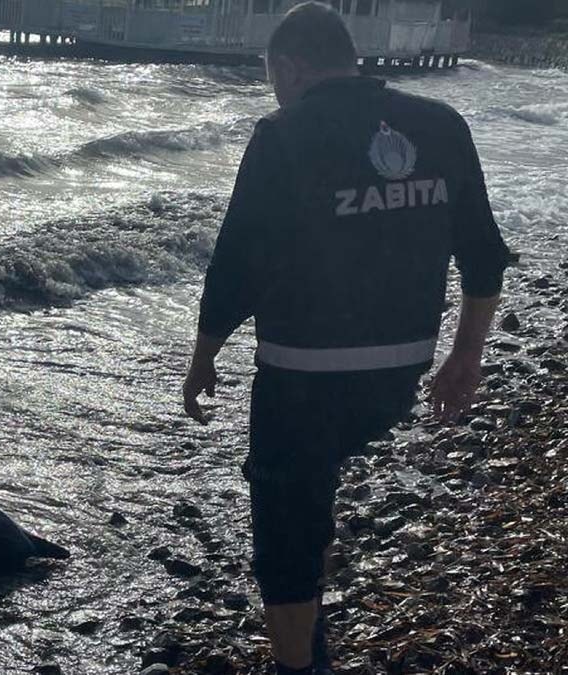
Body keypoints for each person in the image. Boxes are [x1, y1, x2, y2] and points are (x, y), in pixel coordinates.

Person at [180, 3, 509, 674]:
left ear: (291, 68)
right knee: (320, 484)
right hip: (397, 373)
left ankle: (297, 664)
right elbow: (484, 256)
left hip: (302, 375)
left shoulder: (282, 136)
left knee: (286, 523)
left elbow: (237, 264)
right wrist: (465, 356)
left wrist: (203, 355)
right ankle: (308, 618)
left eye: (274, 77)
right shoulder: (442, 126)